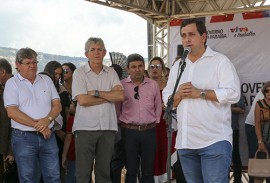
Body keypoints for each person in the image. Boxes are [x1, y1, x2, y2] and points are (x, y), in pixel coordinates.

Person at [162, 19, 240, 183]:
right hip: (186, 142)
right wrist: (178, 95)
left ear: (203, 36)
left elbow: (233, 94)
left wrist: (201, 93)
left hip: (214, 141)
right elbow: (167, 98)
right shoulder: (178, 65)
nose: (186, 40)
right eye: (183, 35)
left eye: (191, 34)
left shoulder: (220, 61)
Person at [3, 48, 62, 182]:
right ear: (18, 65)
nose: (32, 66)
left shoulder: (46, 80)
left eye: (35, 62)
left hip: (48, 135)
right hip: (24, 138)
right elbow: (12, 112)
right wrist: (41, 126)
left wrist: (47, 121)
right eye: (28, 62)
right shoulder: (12, 83)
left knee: (54, 177)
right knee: (28, 178)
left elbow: (57, 105)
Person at [72, 37, 124, 183]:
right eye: (93, 50)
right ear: (86, 54)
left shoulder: (111, 73)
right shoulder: (79, 73)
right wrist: (109, 96)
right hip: (85, 129)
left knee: (104, 174)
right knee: (83, 174)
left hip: (107, 128)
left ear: (105, 52)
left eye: (99, 49)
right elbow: (83, 100)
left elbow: (120, 95)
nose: (96, 53)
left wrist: (95, 93)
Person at [119, 53, 162, 183]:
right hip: (128, 132)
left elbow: (158, 106)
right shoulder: (121, 85)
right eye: (133, 67)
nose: (137, 69)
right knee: (131, 171)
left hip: (149, 131)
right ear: (128, 69)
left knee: (148, 171)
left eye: (140, 66)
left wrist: (155, 123)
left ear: (144, 67)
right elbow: (117, 108)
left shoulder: (153, 84)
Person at [147, 56, 177, 183]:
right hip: (150, 127)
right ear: (148, 70)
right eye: (152, 67)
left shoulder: (170, 86)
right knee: (152, 157)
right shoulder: (145, 86)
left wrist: (169, 107)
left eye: (158, 67)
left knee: (166, 154)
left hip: (166, 126)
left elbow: (177, 104)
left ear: (163, 70)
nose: (155, 69)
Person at [245, 90, 264, 183]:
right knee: (256, 158)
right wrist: (260, 141)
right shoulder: (265, 94)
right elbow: (258, 121)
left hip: (264, 127)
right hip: (253, 126)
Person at [0, 59, 14, 181]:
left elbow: (12, 124)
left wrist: (10, 151)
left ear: (2, 72)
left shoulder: (15, 87)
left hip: (5, 148)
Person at [254, 81, 270, 183]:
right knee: (260, 172)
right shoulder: (259, 104)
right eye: (267, 91)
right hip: (265, 140)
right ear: (264, 92)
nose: (269, 93)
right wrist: (260, 141)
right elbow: (257, 123)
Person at [231, 96, 245, 183]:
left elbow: (242, 110)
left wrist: (227, 108)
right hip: (215, 130)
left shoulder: (235, 91)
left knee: (235, 155)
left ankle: (237, 180)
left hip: (232, 128)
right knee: (220, 156)